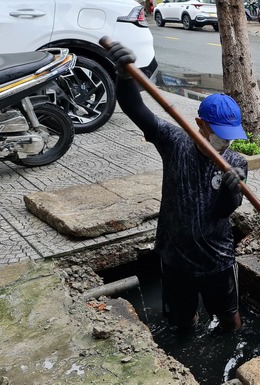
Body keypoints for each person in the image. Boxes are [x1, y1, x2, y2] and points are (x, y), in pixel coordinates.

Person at [107, 42, 249, 333]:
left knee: (231, 319)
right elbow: (136, 109)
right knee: (181, 322)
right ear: (200, 124)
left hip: (217, 258)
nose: (227, 142)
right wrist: (123, 75)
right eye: (220, 135)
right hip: (175, 257)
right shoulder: (174, 142)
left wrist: (231, 189)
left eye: (231, 136)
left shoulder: (235, 162)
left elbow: (223, 211)